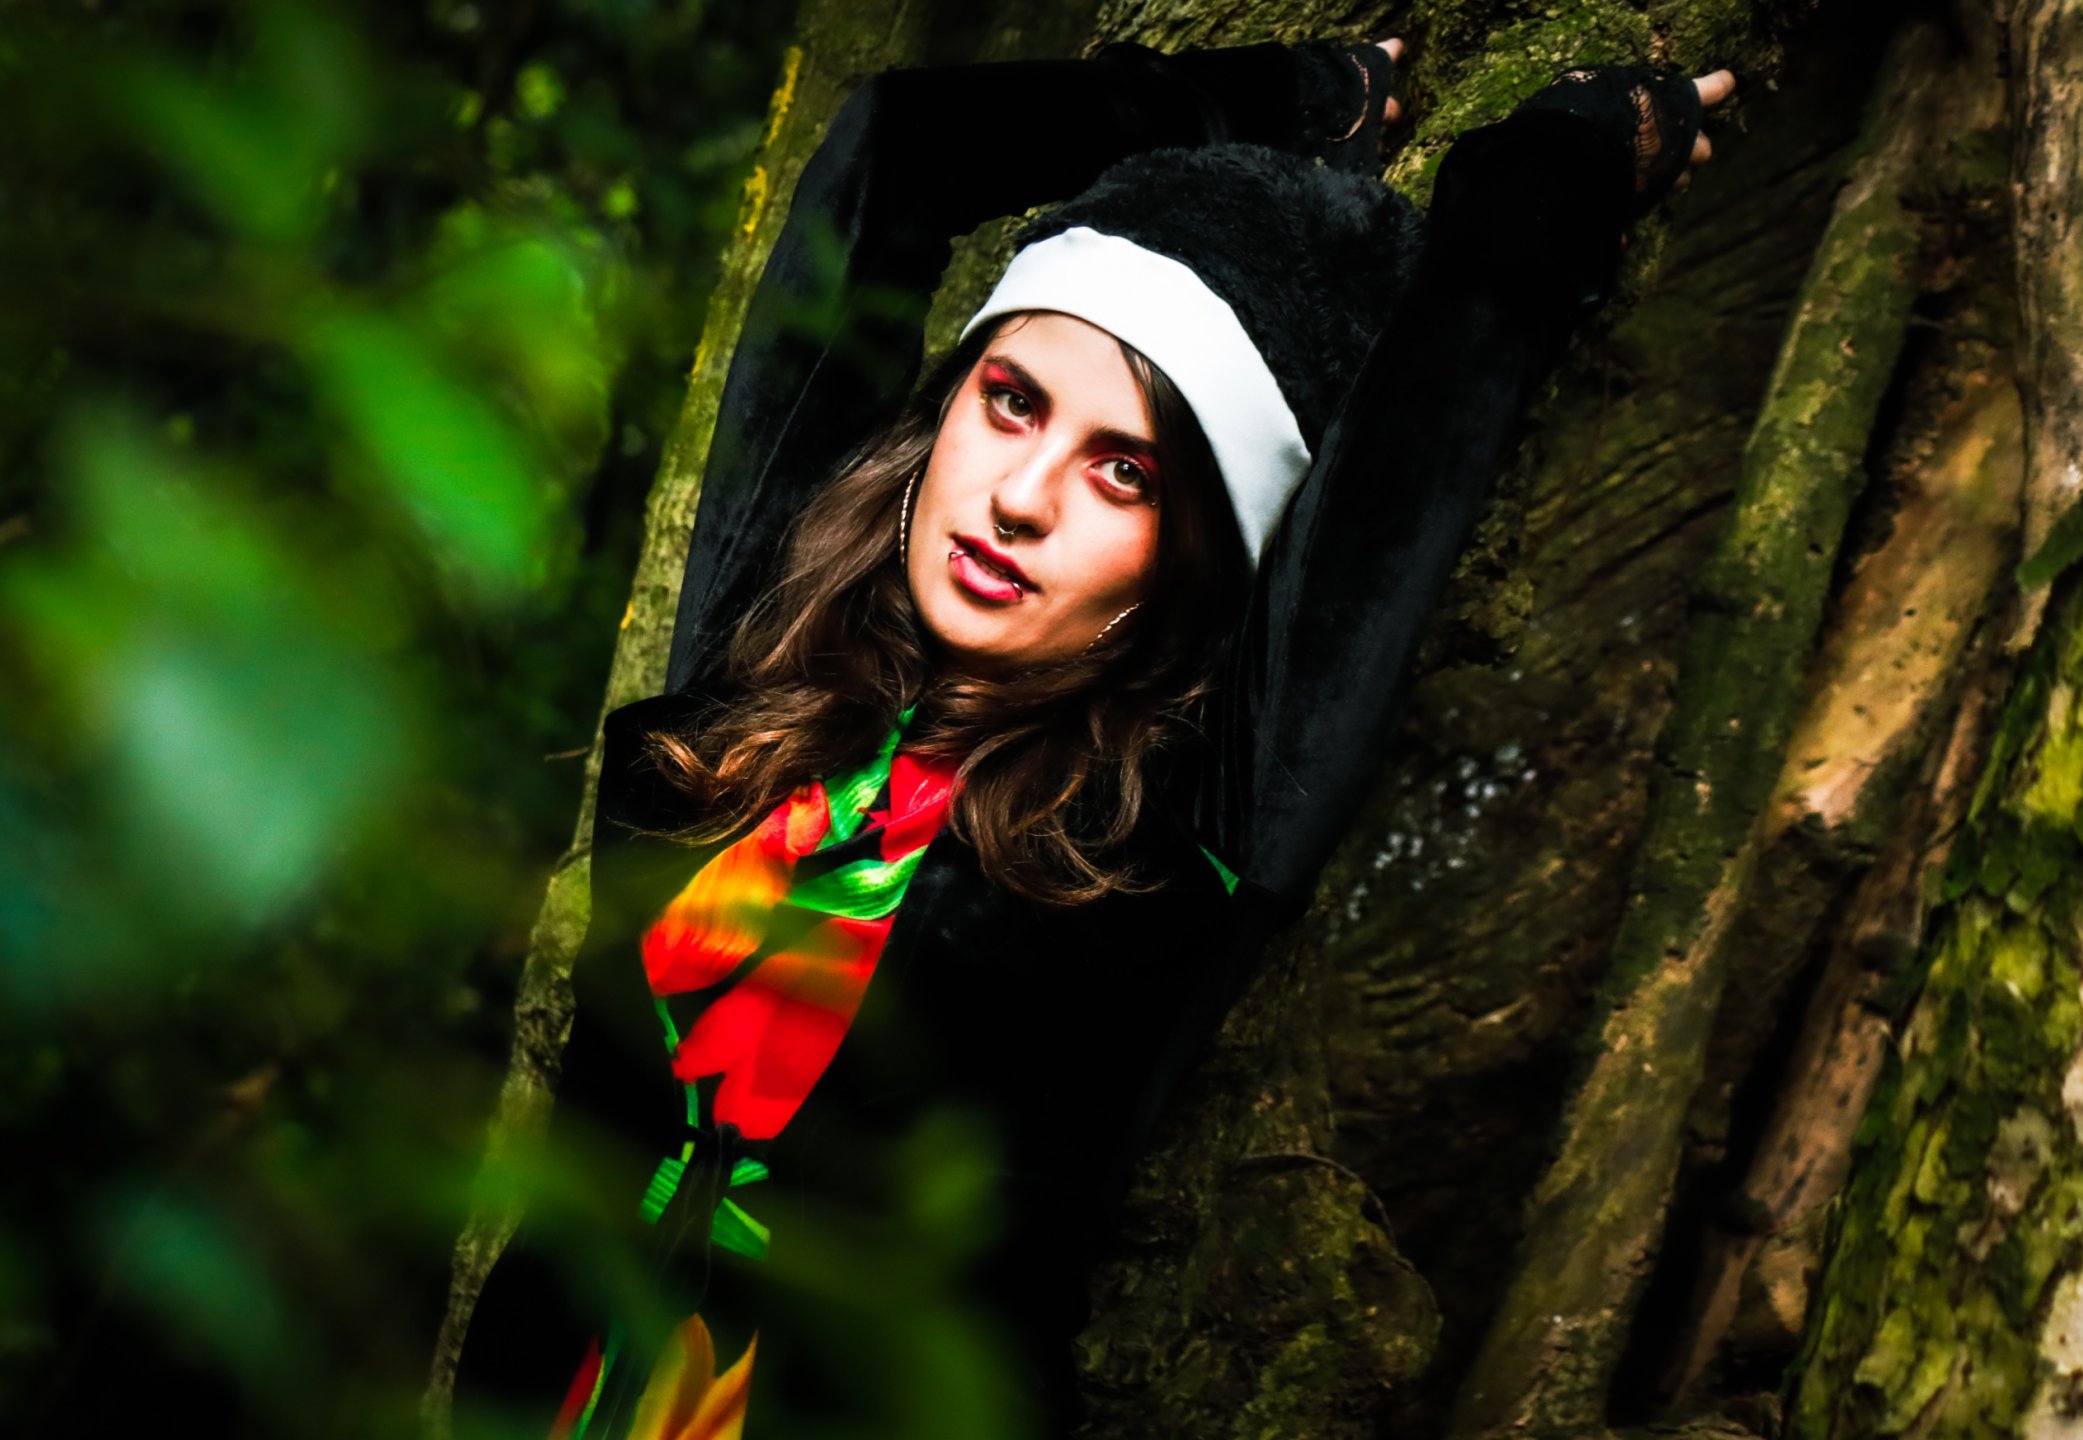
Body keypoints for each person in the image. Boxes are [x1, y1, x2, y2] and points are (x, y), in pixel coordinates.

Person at [448, 33, 1734, 1440]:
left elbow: (1444, 381)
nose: (1021, 498)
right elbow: (893, 149)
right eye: (1011, 403)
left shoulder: (1183, 824)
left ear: (1195, 549)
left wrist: (1567, 161)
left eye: (1124, 473)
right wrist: (1274, 102)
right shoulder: (759, 659)